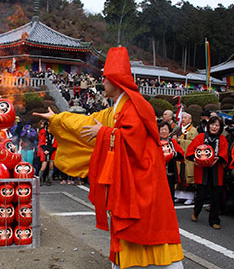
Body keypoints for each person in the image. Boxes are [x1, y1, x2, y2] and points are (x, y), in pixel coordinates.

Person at [34, 47, 183, 268]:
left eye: (104, 77)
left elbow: (134, 139)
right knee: (129, 232)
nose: (101, 81)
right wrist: (57, 119)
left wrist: (103, 133)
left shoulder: (135, 106)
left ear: (115, 80)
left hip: (143, 182)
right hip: (128, 183)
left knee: (148, 228)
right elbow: (87, 122)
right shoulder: (116, 109)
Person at [186, 116, 228, 229]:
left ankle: (214, 220)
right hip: (202, 169)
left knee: (216, 196)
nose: (214, 127)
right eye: (212, 124)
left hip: (216, 170)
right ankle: (196, 211)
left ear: (220, 127)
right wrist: (196, 159)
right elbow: (190, 151)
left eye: (217, 125)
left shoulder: (222, 139)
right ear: (208, 125)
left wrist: (218, 159)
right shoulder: (200, 137)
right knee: (201, 195)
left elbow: (224, 154)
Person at [175, 112, 199, 205]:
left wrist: (181, 141)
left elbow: (193, 143)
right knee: (180, 175)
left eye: (185, 118)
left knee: (187, 177)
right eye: (183, 117)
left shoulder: (193, 130)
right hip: (180, 156)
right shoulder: (179, 129)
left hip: (188, 157)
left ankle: (190, 197)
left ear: (190, 120)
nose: (183, 119)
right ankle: (179, 196)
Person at [159, 121, 185, 201]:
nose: (164, 131)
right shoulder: (155, 142)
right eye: (162, 129)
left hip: (170, 172)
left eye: (166, 130)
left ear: (169, 132)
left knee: (170, 195)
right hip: (158, 173)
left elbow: (181, 154)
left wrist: (173, 154)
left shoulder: (172, 142)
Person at [37, 120, 56, 186]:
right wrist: (45, 150)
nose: (49, 129)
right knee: (43, 166)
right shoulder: (44, 134)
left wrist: (49, 151)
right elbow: (41, 142)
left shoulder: (55, 135)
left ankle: (49, 180)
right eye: (48, 128)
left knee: (51, 166)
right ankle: (39, 180)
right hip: (44, 151)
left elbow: (55, 145)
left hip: (52, 151)